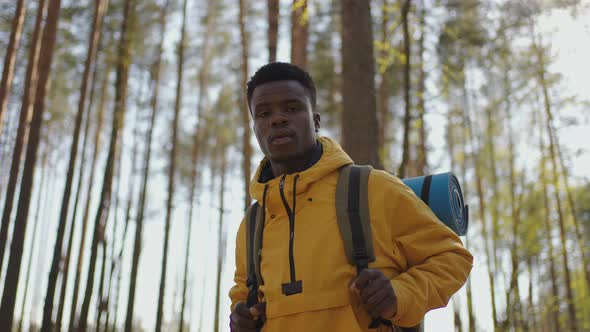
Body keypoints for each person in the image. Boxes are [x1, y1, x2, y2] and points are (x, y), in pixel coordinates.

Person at [229, 62, 473, 332]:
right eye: (264, 113)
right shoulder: (252, 224)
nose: (277, 119)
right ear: (255, 129)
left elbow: (452, 258)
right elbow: (243, 292)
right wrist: (240, 316)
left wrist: (400, 294)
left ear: (316, 121)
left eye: (292, 108)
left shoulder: (374, 189)